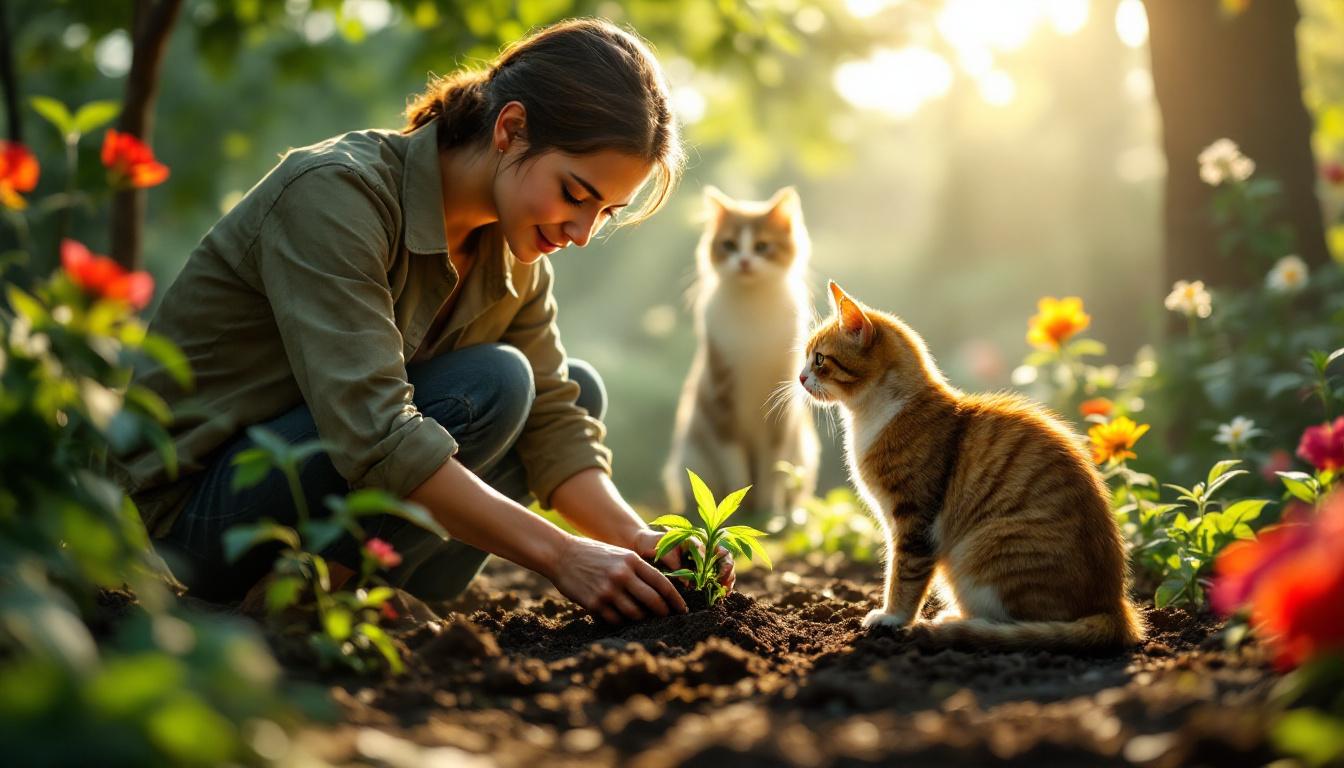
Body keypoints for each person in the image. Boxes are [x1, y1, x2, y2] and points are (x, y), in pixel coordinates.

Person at [113, 18, 733, 624]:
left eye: (606, 212)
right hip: (194, 525)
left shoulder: (513, 254)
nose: (580, 233)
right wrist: (562, 554)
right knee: (496, 381)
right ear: (510, 128)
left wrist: (640, 539)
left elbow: (553, 421)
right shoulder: (337, 194)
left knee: (571, 388)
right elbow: (374, 428)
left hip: (331, 516)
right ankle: (300, 599)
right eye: (575, 194)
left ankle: (337, 587)